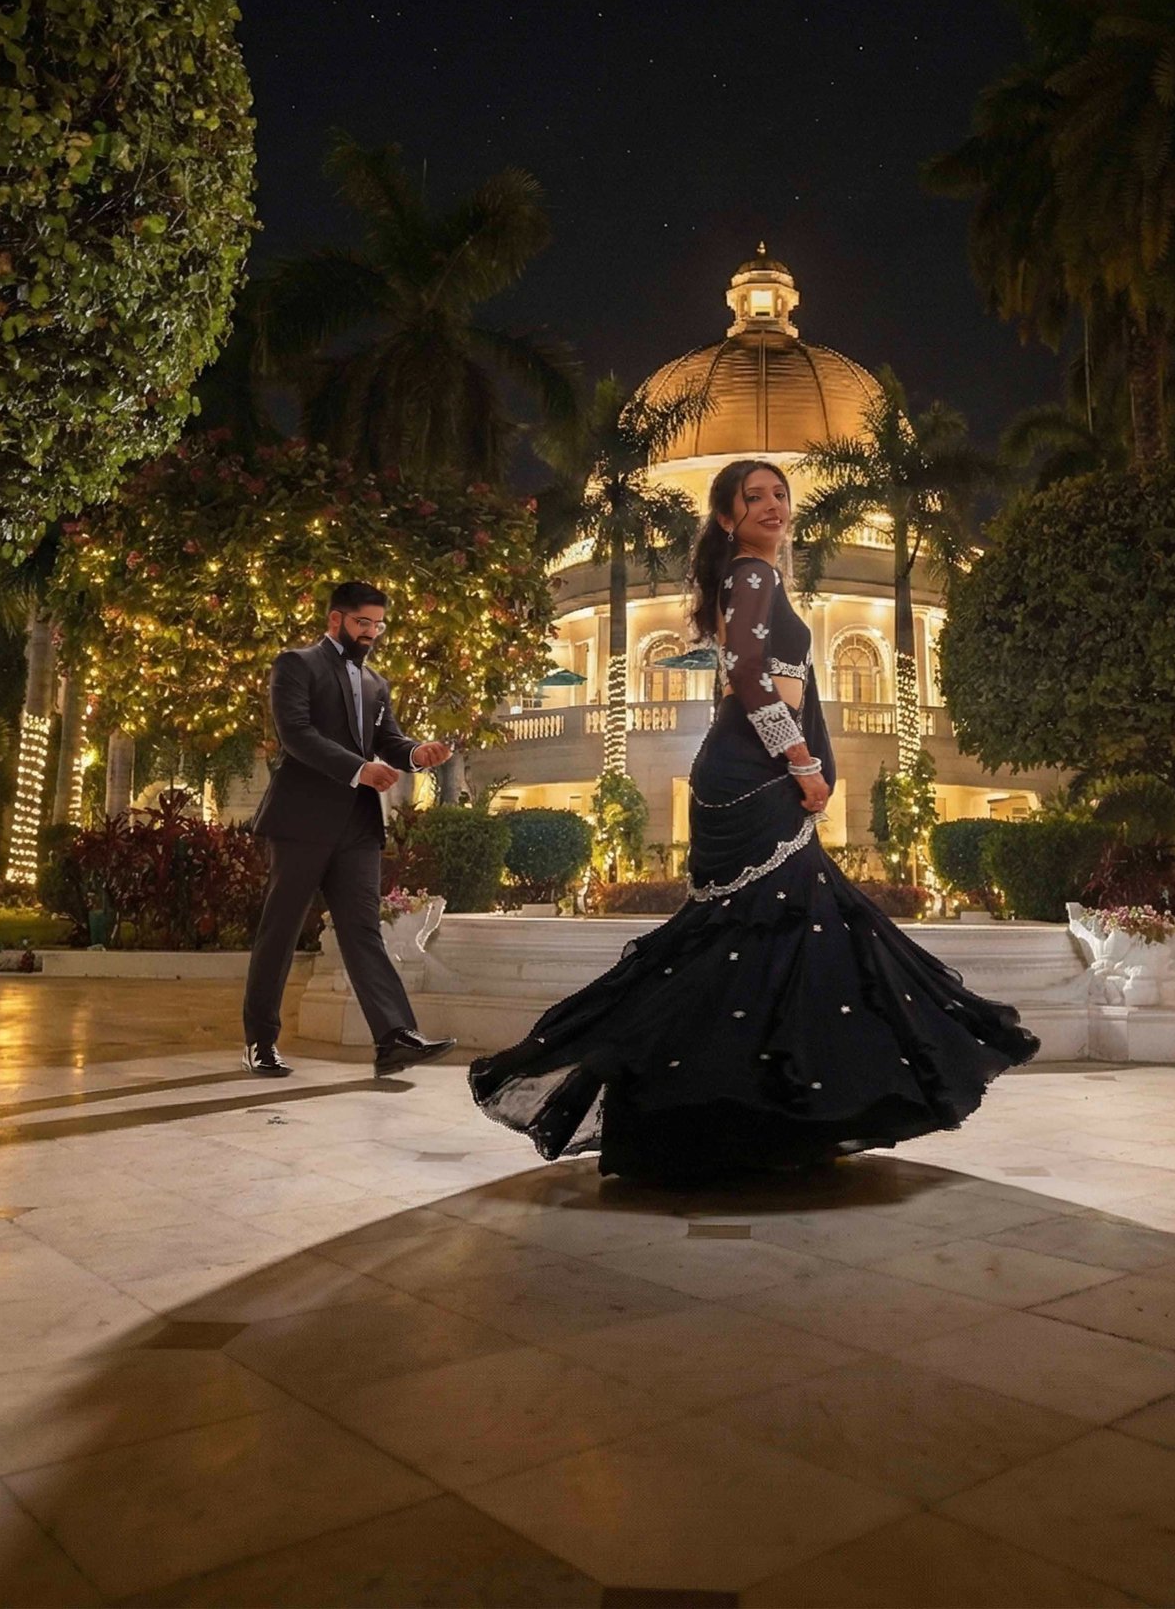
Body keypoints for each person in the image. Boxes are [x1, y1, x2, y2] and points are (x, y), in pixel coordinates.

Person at [469, 460, 1037, 1179]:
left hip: (746, 769)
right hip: (755, 772)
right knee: (783, 931)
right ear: (727, 517)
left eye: (780, 494)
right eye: (754, 496)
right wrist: (799, 757)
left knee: (758, 942)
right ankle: (755, 1114)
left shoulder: (751, 577)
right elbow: (745, 670)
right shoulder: (753, 574)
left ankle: (751, 1117)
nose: (773, 505)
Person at [243, 580, 459, 1078]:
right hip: (301, 820)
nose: (371, 633)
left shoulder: (376, 683)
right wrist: (359, 770)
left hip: (358, 826)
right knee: (281, 931)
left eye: (378, 625)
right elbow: (296, 735)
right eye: (363, 623)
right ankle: (260, 1041)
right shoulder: (295, 665)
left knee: (364, 931)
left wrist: (416, 754)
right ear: (335, 619)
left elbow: (387, 740)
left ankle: (394, 1037)